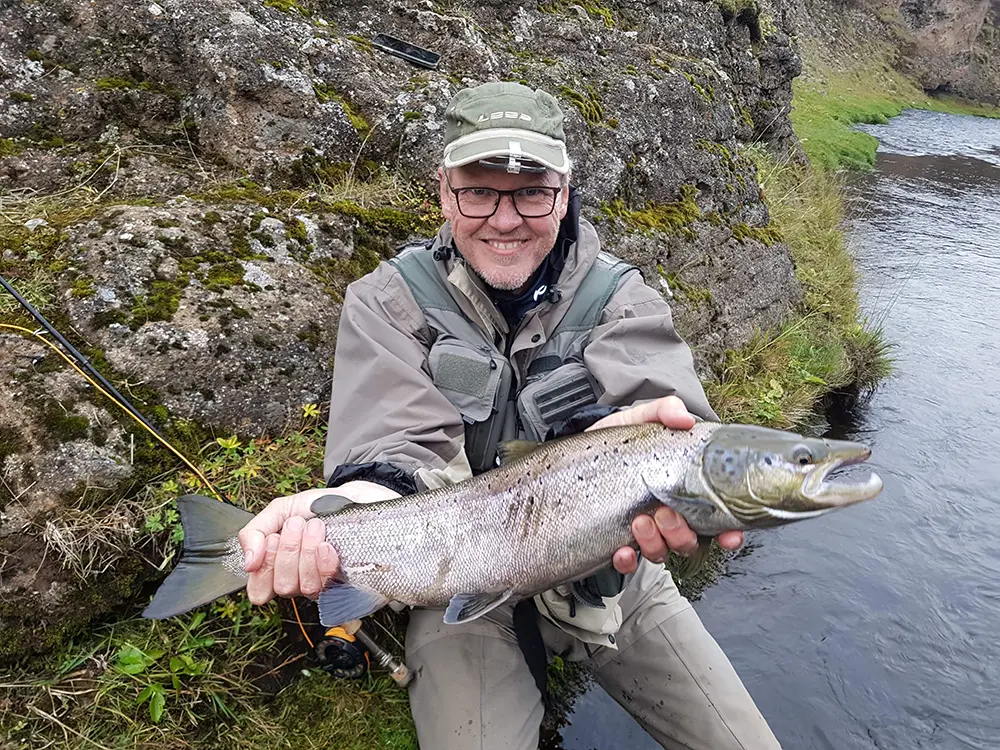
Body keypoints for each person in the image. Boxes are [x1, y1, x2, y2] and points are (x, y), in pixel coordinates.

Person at [237, 81, 782, 749]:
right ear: (443, 191)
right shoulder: (388, 303)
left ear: (565, 190)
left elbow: (677, 422)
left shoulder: (621, 297)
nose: (504, 218)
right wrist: (336, 510)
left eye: (531, 191)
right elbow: (393, 451)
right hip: (459, 588)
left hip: (613, 577)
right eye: (478, 190)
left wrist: (655, 440)